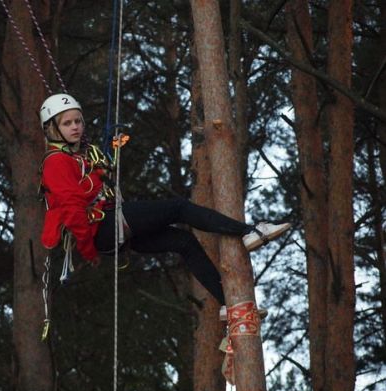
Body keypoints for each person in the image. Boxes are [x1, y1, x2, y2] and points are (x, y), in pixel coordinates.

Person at [39, 93, 290, 314]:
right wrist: (88, 249)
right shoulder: (56, 162)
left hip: (108, 230)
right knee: (179, 208)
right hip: (103, 226)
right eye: (67, 123)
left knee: (184, 242)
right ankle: (249, 232)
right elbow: (72, 209)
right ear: (53, 128)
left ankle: (229, 304)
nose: (75, 127)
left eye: (78, 121)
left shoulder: (79, 157)